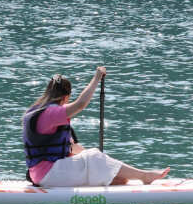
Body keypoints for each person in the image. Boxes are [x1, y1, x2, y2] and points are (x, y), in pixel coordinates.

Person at [21, 66, 168, 186]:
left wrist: (98, 163)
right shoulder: (50, 113)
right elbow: (80, 104)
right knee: (94, 157)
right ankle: (144, 176)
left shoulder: (37, 112)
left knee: (119, 179)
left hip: (46, 174)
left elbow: (74, 149)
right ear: (66, 97)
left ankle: (136, 176)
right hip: (49, 174)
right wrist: (97, 77)